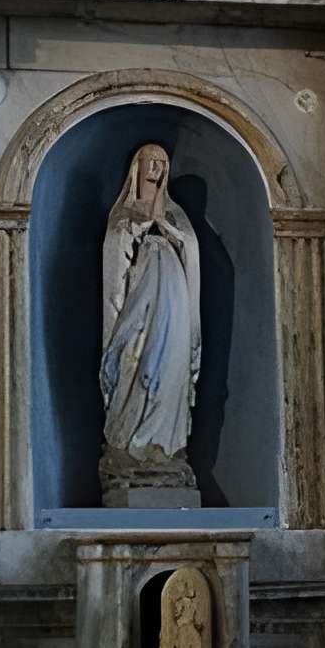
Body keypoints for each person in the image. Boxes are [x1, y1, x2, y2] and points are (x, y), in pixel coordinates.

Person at [99, 144, 201, 493]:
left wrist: (166, 228)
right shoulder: (125, 215)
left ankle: (163, 447)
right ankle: (127, 444)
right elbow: (116, 255)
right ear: (136, 168)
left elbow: (190, 249)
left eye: (162, 163)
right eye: (150, 162)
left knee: (170, 369)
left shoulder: (175, 215)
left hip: (173, 301)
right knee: (135, 366)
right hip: (138, 300)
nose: (156, 169)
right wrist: (141, 226)